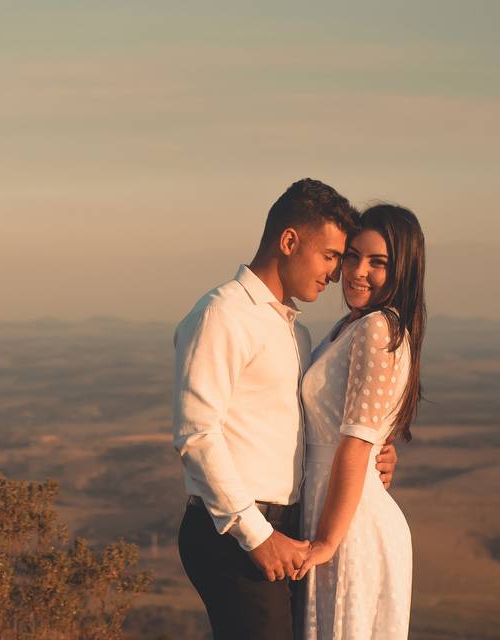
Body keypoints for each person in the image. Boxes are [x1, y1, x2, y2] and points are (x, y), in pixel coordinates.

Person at [173, 178, 399, 640]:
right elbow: (196, 434)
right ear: (289, 241)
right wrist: (256, 535)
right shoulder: (222, 314)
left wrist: (377, 451)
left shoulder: (296, 332)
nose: (337, 274)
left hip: (286, 525)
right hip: (235, 531)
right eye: (332, 255)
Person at [295, 204, 424, 639]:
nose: (357, 271)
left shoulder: (378, 328)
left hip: (349, 528)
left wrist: (328, 542)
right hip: (331, 511)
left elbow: (354, 444)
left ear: (403, 270)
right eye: (352, 256)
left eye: (378, 262)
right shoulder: (349, 326)